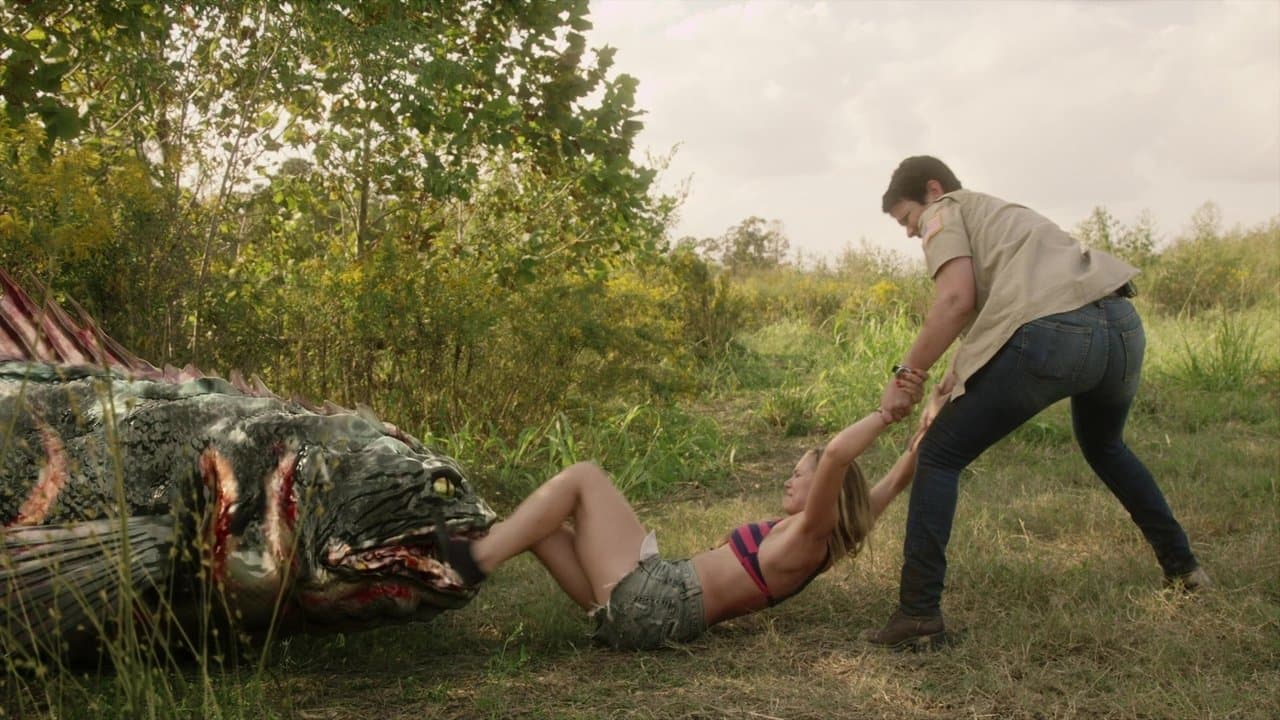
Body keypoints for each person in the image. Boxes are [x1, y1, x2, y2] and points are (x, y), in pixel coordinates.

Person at [864, 155, 1210, 650]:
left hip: (1057, 333)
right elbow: (995, 317)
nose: (909, 231)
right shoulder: (1004, 216)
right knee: (1106, 446)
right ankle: (1184, 568)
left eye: (907, 218)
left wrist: (906, 376)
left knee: (938, 456)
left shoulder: (945, 210)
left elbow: (956, 301)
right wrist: (946, 387)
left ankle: (918, 615)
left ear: (932, 190)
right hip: (1120, 326)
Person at [443, 377, 938, 650]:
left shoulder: (811, 534)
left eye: (798, 474)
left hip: (660, 600)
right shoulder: (829, 538)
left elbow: (837, 457)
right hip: (644, 617)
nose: (788, 481)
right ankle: (441, 569)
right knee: (540, 527)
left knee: (583, 477)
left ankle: (471, 561)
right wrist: (932, 417)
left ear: (827, 491)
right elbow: (896, 479)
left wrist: (886, 412)